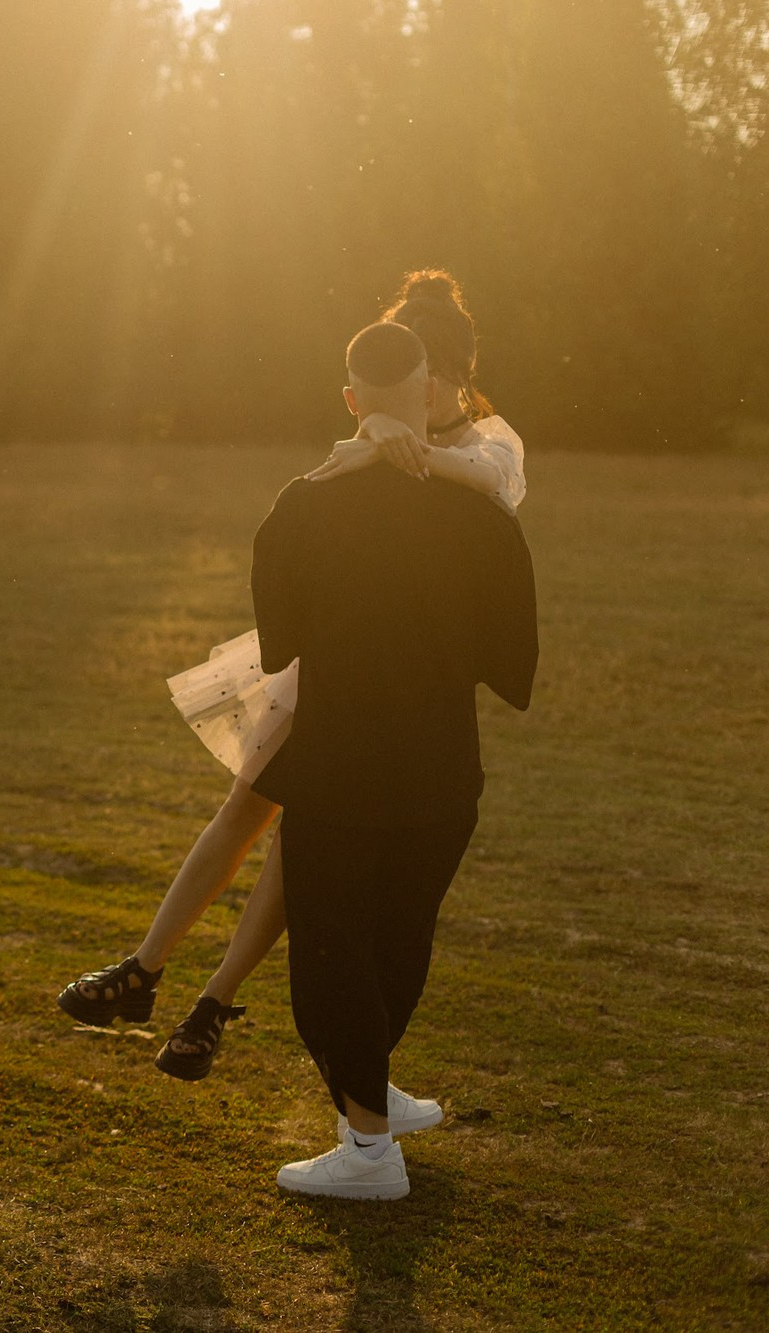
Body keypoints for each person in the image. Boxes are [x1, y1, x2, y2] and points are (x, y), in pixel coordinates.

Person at [56, 271, 527, 1086]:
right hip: (336, 653)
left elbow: (496, 485)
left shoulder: (488, 442)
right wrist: (379, 437)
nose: (420, 381)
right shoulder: (375, 428)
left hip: (399, 671)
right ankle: (147, 967)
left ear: (451, 372)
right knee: (247, 807)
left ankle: (209, 1000)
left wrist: (397, 444)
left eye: (433, 367)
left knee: (299, 838)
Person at [257, 319, 536, 1198]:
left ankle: (370, 1151)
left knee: (330, 960)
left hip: (340, 773)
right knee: (397, 944)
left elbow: (276, 651)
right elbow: (513, 666)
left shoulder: (301, 506)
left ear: (351, 403)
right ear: (427, 396)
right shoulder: (479, 515)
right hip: (444, 774)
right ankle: (375, 1103)